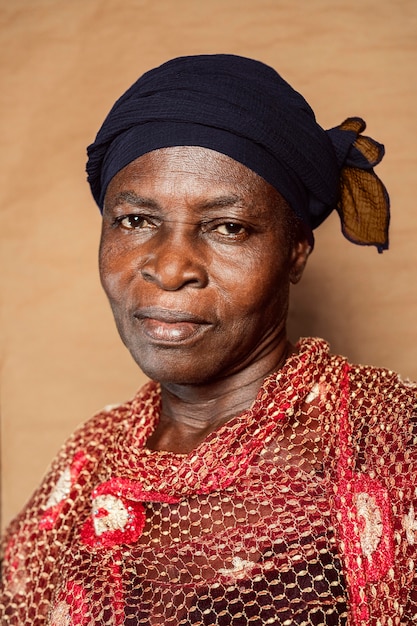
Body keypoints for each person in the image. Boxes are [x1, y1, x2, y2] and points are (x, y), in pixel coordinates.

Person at [1, 54, 416, 625]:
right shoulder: (90, 458)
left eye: (227, 228)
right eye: (135, 220)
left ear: (296, 252)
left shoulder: (390, 439)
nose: (170, 269)